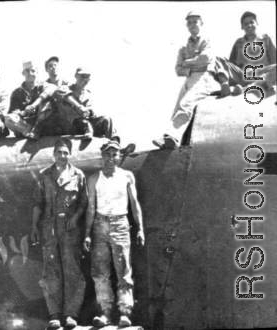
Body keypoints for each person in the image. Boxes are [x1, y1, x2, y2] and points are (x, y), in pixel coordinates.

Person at [83, 140, 145, 328]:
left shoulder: (127, 176)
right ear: (102, 157)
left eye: (114, 155)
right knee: (100, 272)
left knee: (123, 270)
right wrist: (87, 233)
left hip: (120, 224)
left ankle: (125, 313)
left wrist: (140, 228)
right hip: (100, 224)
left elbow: (134, 204)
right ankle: (105, 313)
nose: (111, 158)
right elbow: (91, 207)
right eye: (107, 155)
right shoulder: (94, 178)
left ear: (119, 157)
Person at [31, 138, 87, 330]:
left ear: (69, 155)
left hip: (70, 228)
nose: (62, 156)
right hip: (49, 227)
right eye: (59, 152)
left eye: (65, 153)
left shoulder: (78, 175)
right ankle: (54, 314)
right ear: (53, 154)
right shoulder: (44, 175)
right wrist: (34, 228)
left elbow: (83, 202)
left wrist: (76, 218)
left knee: (72, 269)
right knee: (51, 270)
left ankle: (71, 314)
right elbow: (38, 204)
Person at [152, 11, 220, 149]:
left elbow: (205, 59)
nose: (192, 25)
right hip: (190, 77)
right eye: (189, 22)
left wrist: (187, 62)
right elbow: (178, 69)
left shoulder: (207, 41)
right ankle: (169, 139)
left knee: (186, 103)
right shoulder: (184, 47)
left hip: (203, 77)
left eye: (195, 21)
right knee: (177, 107)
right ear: (187, 26)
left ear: (201, 23)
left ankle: (174, 137)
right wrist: (188, 68)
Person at [215, 11, 276, 97]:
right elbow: (232, 64)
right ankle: (225, 85)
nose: (249, 25)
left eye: (252, 22)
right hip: (243, 75)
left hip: (260, 74)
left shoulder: (266, 39)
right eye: (246, 23)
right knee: (219, 59)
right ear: (242, 27)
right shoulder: (238, 42)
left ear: (257, 23)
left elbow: (274, 60)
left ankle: (247, 88)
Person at [59, 67, 117, 139]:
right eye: (83, 76)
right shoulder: (67, 88)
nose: (85, 79)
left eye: (87, 77)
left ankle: (114, 142)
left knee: (106, 119)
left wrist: (89, 112)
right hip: (71, 125)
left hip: (86, 123)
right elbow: (64, 95)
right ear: (76, 76)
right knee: (82, 121)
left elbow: (90, 110)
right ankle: (88, 130)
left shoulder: (87, 93)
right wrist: (79, 107)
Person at [4, 61, 54, 139]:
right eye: (27, 71)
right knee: (8, 119)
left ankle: (36, 130)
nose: (30, 73)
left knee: (47, 102)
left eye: (33, 71)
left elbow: (53, 88)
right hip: (25, 123)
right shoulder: (17, 92)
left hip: (41, 123)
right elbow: (13, 112)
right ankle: (29, 131)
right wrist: (24, 112)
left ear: (37, 72)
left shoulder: (42, 86)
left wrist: (34, 105)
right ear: (23, 73)